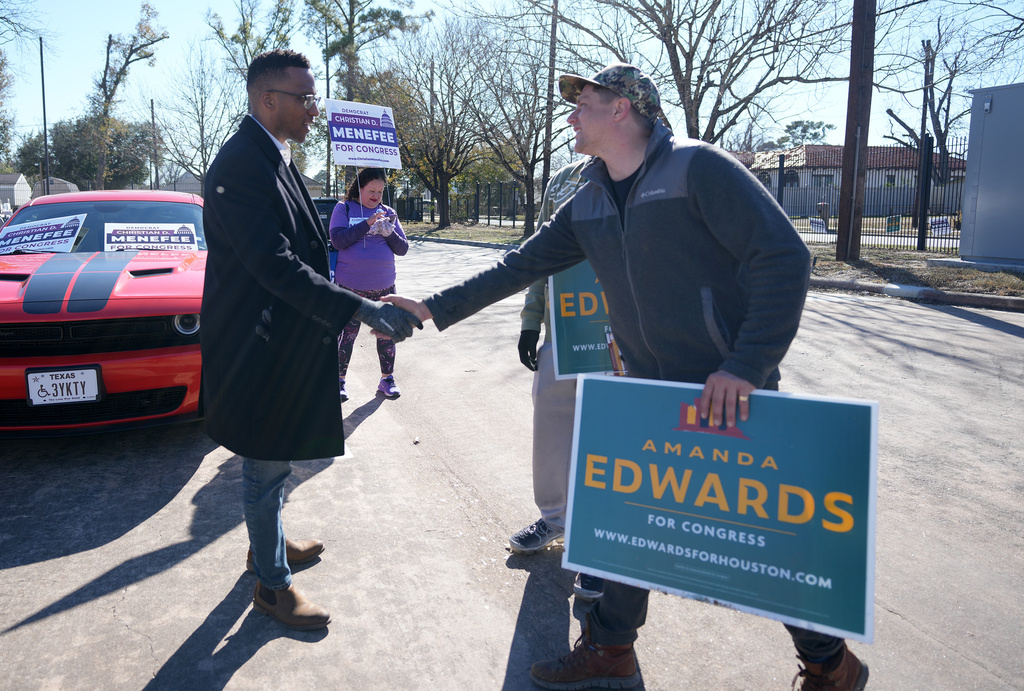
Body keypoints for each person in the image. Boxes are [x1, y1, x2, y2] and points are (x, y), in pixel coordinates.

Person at [383, 63, 867, 690]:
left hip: (724, 388)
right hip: (644, 391)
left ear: (622, 110)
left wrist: (745, 367)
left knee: (758, 540)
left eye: (582, 102)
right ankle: (610, 647)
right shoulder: (586, 200)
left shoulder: (697, 170)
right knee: (625, 526)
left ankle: (831, 665)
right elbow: (518, 265)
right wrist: (432, 306)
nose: (570, 114)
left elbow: (784, 255)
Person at [201, 48, 421, 631]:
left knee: (277, 454)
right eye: (304, 97)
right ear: (266, 99)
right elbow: (274, 265)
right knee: (265, 457)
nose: (313, 108)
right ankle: (272, 585)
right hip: (257, 339)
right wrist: (361, 308)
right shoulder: (240, 165)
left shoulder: (274, 155)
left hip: (281, 336)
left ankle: (264, 545)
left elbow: (308, 246)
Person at [510, 158, 605, 601]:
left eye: (587, 105)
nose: (574, 116)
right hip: (567, 328)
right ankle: (556, 518)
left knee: (610, 439)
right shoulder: (566, 178)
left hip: (627, 333)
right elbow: (542, 250)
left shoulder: (658, 173)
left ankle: (601, 548)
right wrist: (532, 318)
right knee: (551, 425)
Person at [329, 167, 410, 401]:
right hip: (351, 289)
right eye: (371, 190)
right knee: (347, 336)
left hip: (384, 288)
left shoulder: (389, 212)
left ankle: (387, 380)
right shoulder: (343, 208)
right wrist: (367, 223)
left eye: (381, 191)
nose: (376, 196)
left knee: (386, 334)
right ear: (360, 188)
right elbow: (338, 240)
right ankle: (339, 381)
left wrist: (388, 232)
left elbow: (402, 249)